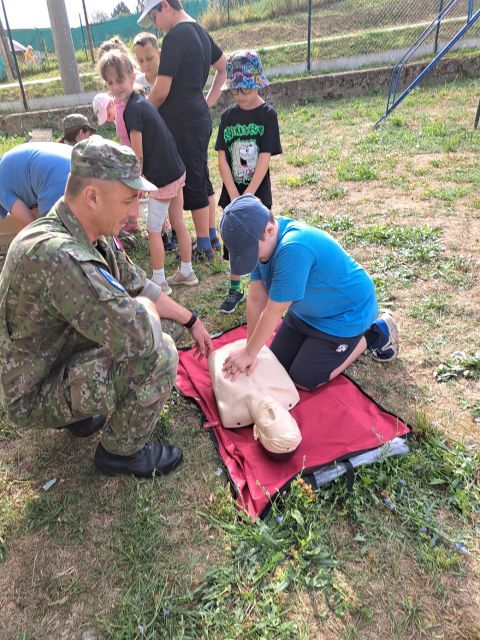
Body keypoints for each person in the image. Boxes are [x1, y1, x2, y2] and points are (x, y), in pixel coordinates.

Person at [0, 135, 212, 477]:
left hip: (55, 358)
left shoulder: (84, 231)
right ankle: (120, 453)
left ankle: (78, 414)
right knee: (160, 352)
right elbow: (140, 336)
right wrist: (142, 307)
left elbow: (137, 282)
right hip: (34, 393)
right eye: (128, 201)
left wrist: (191, 320)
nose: (134, 213)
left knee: (166, 323)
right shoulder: (59, 256)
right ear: (92, 196)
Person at [219, 194, 399, 388]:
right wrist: (250, 349)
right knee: (277, 365)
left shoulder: (293, 249)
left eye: (250, 254)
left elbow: (274, 311)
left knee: (304, 381)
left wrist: (249, 353)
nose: (250, 259)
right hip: (306, 312)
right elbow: (256, 299)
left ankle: (374, 334)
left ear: (270, 230)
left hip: (346, 314)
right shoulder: (261, 241)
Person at [99, 50, 197, 294]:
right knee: (178, 222)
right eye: (110, 83)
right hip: (176, 170)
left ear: (132, 76)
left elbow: (137, 153)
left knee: (153, 230)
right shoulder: (141, 100)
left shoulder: (131, 109)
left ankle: (160, 281)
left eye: (119, 80)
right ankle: (187, 272)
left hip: (162, 178)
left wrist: (136, 182)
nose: (115, 87)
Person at [139, 0, 227, 266]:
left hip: (183, 122)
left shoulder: (176, 36)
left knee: (194, 180)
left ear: (165, 6)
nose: (156, 24)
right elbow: (223, 67)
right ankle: (211, 235)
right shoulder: (198, 30)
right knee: (201, 175)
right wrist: (206, 102)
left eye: (154, 17)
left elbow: (161, 90)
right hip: (197, 116)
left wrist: (143, 112)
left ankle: (203, 245)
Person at [216, 50, 282, 313]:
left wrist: (249, 195)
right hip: (232, 193)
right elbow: (222, 158)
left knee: (259, 240)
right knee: (233, 240)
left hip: (257, 194)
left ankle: (262, 286)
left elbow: (264, 158)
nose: (239, 94)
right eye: (234, 89)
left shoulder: (267, 115)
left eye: (244, 88)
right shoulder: (227, 117)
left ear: (257, 82)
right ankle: (235, 289)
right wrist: (235, 195)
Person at [0, 142, 72, 228]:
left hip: (56, 176)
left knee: (48, 231)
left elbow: (30, 225)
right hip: (78, 164)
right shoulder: (7, 166)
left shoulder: (1, 186)